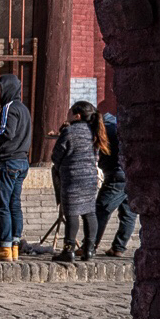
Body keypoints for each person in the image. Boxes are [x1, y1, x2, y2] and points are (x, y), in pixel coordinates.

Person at [0, 72, 32, 259]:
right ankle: (14, 246)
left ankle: (4, 247)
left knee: (2, 205)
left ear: (7, 89)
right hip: (21, 162)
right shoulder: (24, 109)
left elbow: (6, 132)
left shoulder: (9, 108)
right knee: (14, 204)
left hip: (8, 163)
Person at [51, 100, 106, 263]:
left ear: (77, 115)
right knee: (89, 212)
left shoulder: (69, 131)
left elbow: (56, 154)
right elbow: (96, 156)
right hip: (89, 177)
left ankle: (69, 250)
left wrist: (60, 166)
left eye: (69, 112)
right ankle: (89, 249)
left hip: (72, 177)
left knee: (72, 213)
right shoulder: (93, 131)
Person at [92, 109, 138, 257]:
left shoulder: (106, 129)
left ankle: (90, 245)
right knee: (128, 213)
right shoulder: (117, 124)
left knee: (101, 210)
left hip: (117, 175)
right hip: (130, 173)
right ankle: (119, 247)